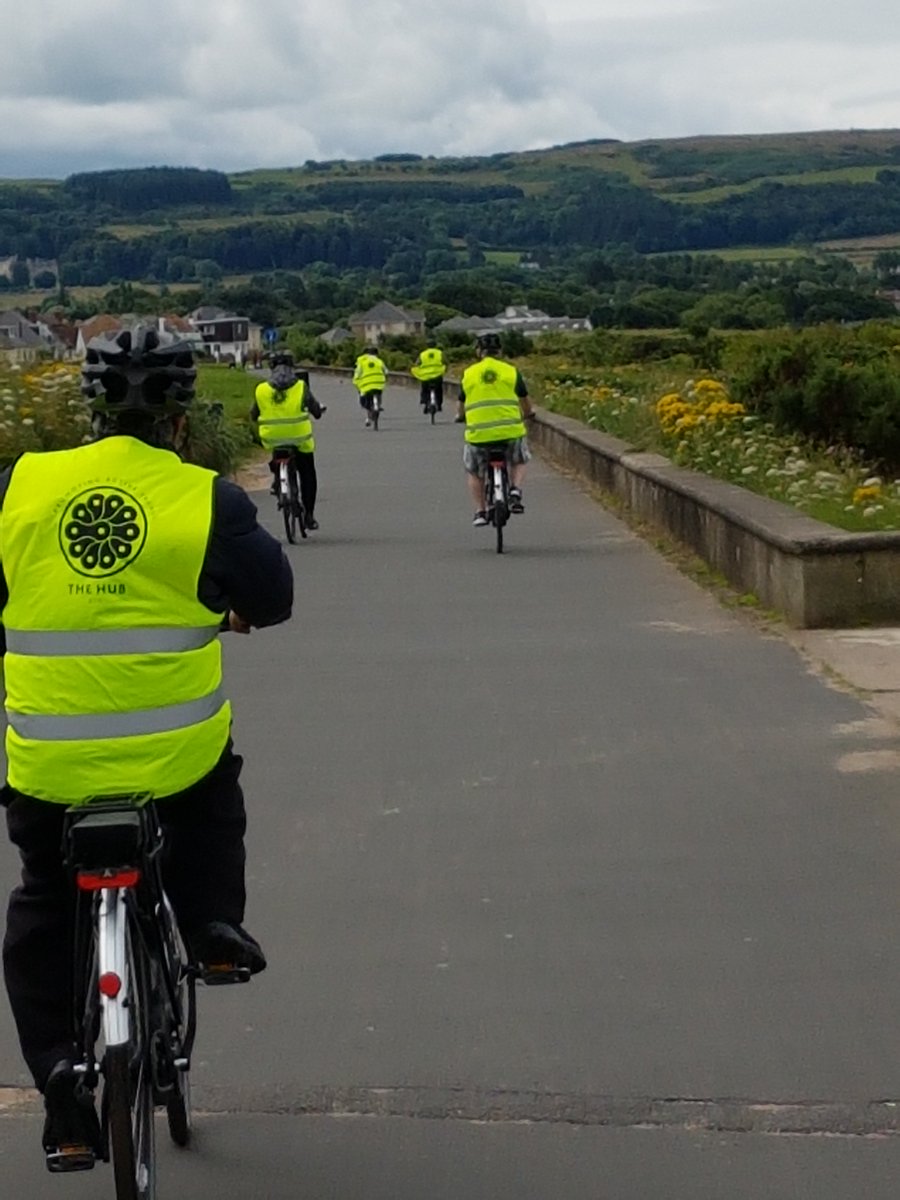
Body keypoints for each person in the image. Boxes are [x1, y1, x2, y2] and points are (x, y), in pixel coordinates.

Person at [0, 324, 293, 1171]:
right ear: (180, 418)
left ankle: (60, 1077)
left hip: (49, 767)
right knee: (212, 799)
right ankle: (209, 928)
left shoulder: (21, 485)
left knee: (45, 902)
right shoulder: (205, 498)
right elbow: (271, 601)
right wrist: (218, 609)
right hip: (173, 762)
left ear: (91, 411)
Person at [457, 331, 535, 526]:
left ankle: (481, 511)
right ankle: (515, 489)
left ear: (479, 351)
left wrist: (460, 416)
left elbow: (461, 403)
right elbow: (524, 401)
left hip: (479, 434)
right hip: (510, 431)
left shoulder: (469, 374)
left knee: (474, 471)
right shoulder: (510, 371)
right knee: (520, 459)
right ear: (499, 351)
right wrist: (528, 414)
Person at [251, 352, 325, 531]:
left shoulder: (261, 389)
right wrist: (317, 413)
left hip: (273, 437)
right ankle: (309, 515)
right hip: (299, 438)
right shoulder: (300, 386)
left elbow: (254, 414)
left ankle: (278, 481)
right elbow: (315, 409)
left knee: (278, 452)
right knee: (307, 473)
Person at [353, 346, 388, 427]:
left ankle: (369, 416)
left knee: (367, 401)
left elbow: (357, 373)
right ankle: (378, 406)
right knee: (378, 395)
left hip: (366, 385)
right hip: (379, 383)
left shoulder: (362, 362)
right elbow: (386, 371)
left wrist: (356, 381)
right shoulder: (379, 361)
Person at [410, 340, 445, 411]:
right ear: (435, 345)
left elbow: (417, 364)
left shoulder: (422, 354)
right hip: (437, 376)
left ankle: (425, 402)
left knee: (425, 389)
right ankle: (439, 404)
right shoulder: (439, 353)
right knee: (439, 390)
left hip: (425, 377)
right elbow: (445, 362)